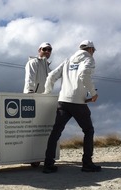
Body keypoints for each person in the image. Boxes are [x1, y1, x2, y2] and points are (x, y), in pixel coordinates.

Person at [42, 40, 101, 173]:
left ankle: (48, 165)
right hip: (78, 102)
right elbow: (84, 75)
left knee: (56, 132)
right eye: (94, 51)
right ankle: (87, 163)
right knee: (88, 131)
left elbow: (51, 76)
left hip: (63, 101)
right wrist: (93, 93)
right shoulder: (89, 59)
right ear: (91, 49)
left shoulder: (68, 60)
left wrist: (47, 93)